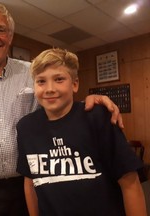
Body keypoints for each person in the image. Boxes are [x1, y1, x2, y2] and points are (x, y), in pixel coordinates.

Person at [0, 2, 123, 216]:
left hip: (34, 183)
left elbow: (57, 107)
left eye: (1, 29)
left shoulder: (33, 73)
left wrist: (89, 102)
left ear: (10, 36)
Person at [16, 48, 147, 216]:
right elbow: (30, 182)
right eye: (41, 81)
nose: (49, 88)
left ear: (75, 84)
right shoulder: (26, 127)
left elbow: (130, 182)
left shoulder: (98, 117)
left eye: (59, 79)